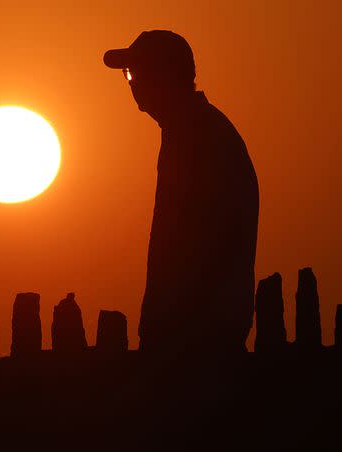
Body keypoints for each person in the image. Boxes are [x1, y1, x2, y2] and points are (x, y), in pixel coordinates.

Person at [104, 30, 259, 355]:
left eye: (135, 72)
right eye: (127, 74)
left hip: (197, 343)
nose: (131, 83)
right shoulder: (192, 130)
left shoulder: (198, 137)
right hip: (196, 335)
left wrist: (165, 330)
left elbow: (187, 247)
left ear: (163, 75)